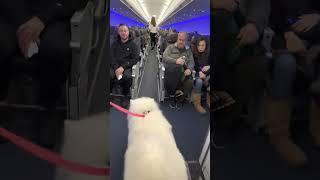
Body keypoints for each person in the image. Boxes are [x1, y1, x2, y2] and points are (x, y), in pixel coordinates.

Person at [0, 0, 88, 148]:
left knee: (56, 50)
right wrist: (24, 26)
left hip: (53, 13)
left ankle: (48, 106)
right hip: (12, 13)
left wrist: (43, 18)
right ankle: (1, 102)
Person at [267, 0, 320, 166]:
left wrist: (318, 16)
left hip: (315, 36)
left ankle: (316, 126)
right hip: (284, 36)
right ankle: (279, 135)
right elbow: (273, 16)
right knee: (286, 64)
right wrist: (288, 33)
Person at [212, 0, 270, 145]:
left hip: (238, 33)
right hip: (213, 31)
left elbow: (260, 4)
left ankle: (225, 122)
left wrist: (254, 25)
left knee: (256, 65)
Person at [110, 24, 140, 107]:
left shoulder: (133, 45)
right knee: (109, 74)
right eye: (121, 31)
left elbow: (135, 59)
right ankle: (110, 94)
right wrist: (116, 68)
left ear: (128, 32)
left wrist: (123, 67)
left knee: (127, 77)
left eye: (125, 31)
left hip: (126, 66)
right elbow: (111, 57)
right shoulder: (114, 44)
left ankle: (125, 95)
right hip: (115, 66)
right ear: (118, 32)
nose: (123, 33)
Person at [163, 32, 194, 106]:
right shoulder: (170, 47)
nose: (181, 42)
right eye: (180, 39)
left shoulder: (188, 50)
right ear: (177, 39)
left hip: (183, 72)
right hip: (171, 71)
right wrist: (175, 61)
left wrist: (189, 69)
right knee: (177, 69)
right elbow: (165, 57)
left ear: (186, 41)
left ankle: (180, 96)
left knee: (190, 81)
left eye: (183, 40)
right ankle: (173, 95)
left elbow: (191, 61)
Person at [192, 37, 210, 114]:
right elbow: (194, 65)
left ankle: (209, 101)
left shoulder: (209, 54)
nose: (201, 47)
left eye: (203, 45)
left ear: (206, 46)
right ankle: (197, 104)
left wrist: (209, 67)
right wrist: (199, 72)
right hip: (196, 74)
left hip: (207, 74)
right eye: (199, 45)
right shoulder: (193, 53)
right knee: (199, 81)